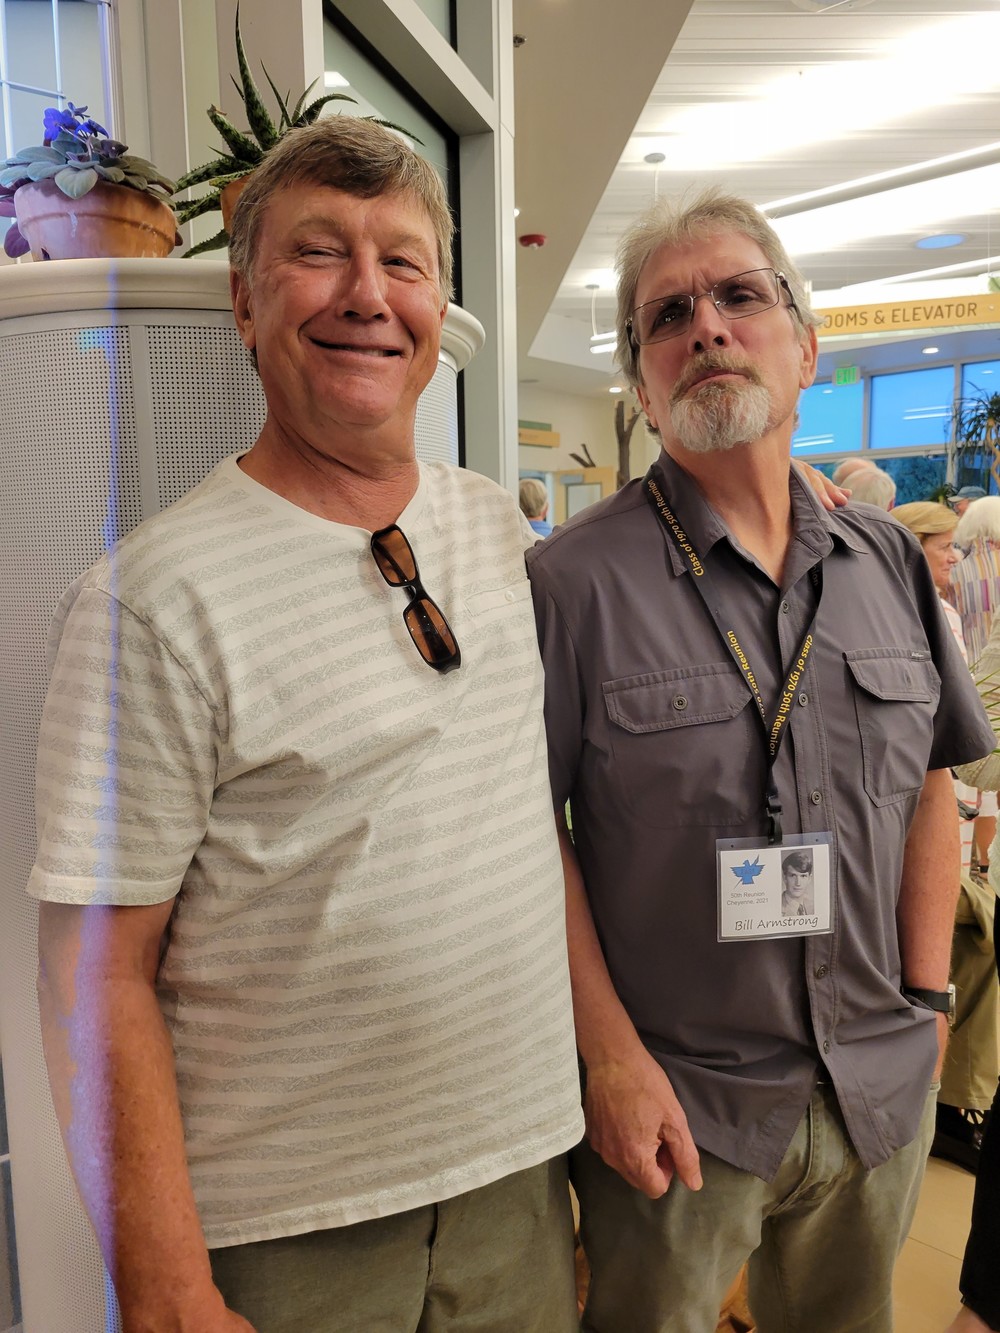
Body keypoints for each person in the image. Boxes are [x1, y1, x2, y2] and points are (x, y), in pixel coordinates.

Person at [28, 116, 583, 1333]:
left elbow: (525, 828)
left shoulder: (494, 529)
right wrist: (164, 1285)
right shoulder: (151, 600)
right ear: (245, 301)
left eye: (402, 261)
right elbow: (94, 972)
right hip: (291, 1230)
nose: (366, 295)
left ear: (437, 310)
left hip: (521, 1182)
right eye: (320, 252)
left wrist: (614, 1066)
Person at [526, 187, 994, 1333]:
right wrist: (610, 1060)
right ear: (643, 388)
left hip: (878, 1081)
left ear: (805, 348)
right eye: (667, 314)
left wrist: (929, 1001)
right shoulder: (571, 584)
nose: (707, 326)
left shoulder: (890, 562)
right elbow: (531, 839)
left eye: (740, 295)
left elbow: (930, 784)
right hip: (682, 1106)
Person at [892, 502, 998, 1175]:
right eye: (944, 546)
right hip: (917, 837)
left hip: (948, 828)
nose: (955, 558)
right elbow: (965, 761)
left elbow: (958, 762)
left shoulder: (956, 619)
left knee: (979, 940)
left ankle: (961, 1102)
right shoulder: (941, 618)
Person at [780, 849, 815, 917]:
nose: (798, 883)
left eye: (803, 876)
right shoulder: (776, 907)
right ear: (784, 878)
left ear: (809, 878)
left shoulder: (813, 906)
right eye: (793, 876)